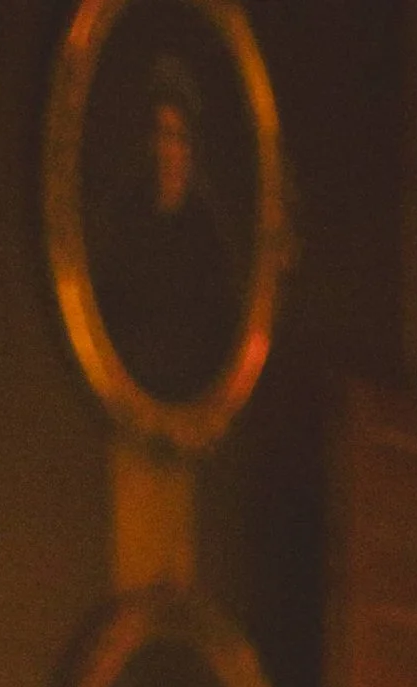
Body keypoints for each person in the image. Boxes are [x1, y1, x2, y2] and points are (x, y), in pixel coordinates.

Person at [85, 37, 243, 410]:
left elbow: (217, 325)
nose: (166, 150)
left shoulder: (205, 232)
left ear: (190, 148)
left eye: (175, 137)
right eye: (158, 134)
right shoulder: (125, 216)